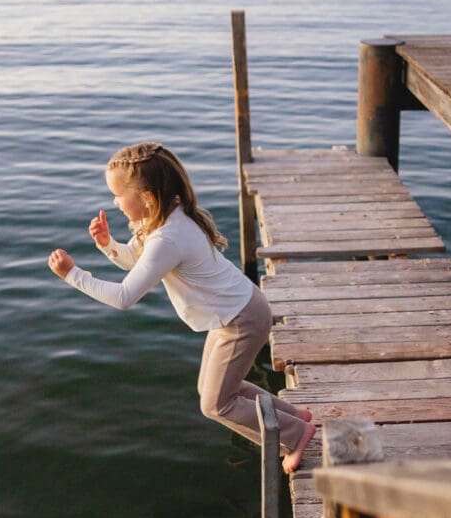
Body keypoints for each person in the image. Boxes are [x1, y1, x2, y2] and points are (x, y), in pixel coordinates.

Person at [48, 142, 315, 473]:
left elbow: (123, 297)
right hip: (237, 311)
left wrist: (73, 275)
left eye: (118, 195)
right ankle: (293, 417)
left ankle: (296, 434)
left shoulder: (166, 237)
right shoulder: (163, 219)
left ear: (145, 197)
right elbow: (136, 262)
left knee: (216, 404)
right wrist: (107, 245)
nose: (115, 203)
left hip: (240, 319)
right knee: (214, 389)